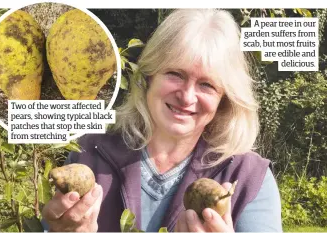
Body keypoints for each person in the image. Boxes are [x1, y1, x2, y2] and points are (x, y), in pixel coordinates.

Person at [42, 9, 282, 232]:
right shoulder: (89, 154)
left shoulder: (250, 179)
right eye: (175, 74)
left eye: (206, 85)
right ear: (149, 77)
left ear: (225, 100)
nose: (187, 96)